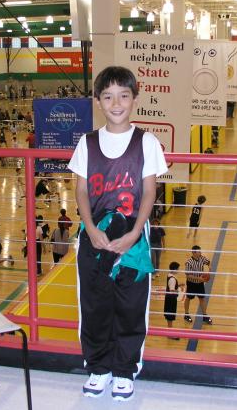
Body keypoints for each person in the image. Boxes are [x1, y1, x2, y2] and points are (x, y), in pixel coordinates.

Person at [67, 66, 167, 401]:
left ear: (134, 99)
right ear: (98, 102)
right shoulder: (87, 142)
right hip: (95, 240)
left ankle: (124, 369)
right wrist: (91, 228)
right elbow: (81, 191)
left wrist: (136, 232)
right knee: (94, 305)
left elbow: (149, 192)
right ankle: (98, 367)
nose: (116, 102)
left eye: (124, 95)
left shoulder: (146, 142)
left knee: (130, 306)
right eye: (108, 96)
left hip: (132, 241)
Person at [183, 245, 212, 325]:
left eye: (200, 251)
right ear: (194, 253)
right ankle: (186, 314)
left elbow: (208, 262)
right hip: (191, 283)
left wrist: (209, 268)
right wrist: (199, 278)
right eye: (199, 252)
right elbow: (188, 275)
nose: (200, 253)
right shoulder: (189, 262)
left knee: (202, 298)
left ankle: (205, 315)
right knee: (188, 298)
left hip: (200, 283)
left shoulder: (202, 258)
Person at [163, 261, 182, 340]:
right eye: (178, 269)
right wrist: (178, 290)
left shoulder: (169, 275)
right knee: (170, 317)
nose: (178, 270)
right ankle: (170, 334)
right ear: (174, 269)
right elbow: (172, 290)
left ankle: (169, 332)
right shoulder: (172, 279)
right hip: (171, 299)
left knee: (169, 318)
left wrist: (179, 285)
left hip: (169, 299)